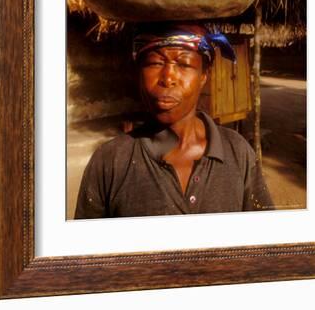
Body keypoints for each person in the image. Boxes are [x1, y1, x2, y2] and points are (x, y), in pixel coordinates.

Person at [75, 23, 273, 219]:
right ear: (139, 72)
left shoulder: (238, 152)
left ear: (204, 74)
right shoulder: (110, 161)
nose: (168, 77)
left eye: (184, 64)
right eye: (155, 63)